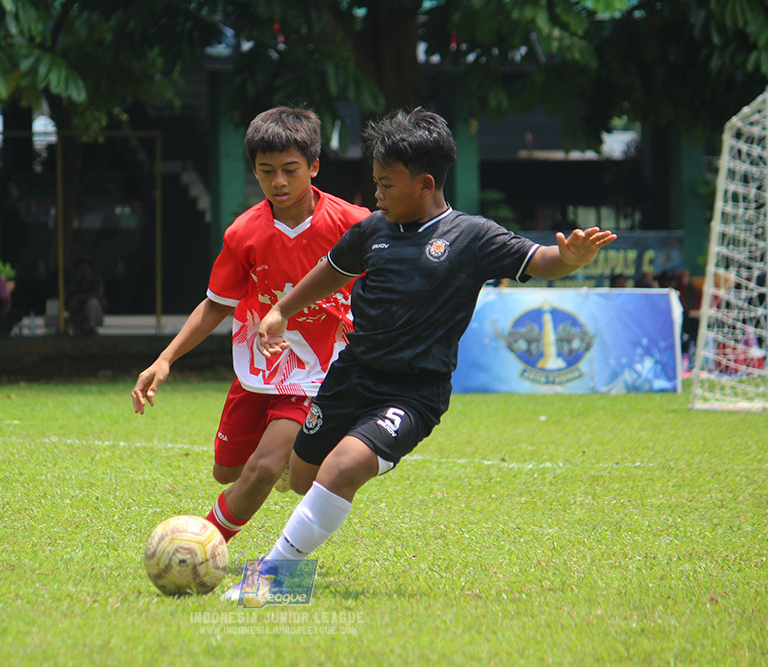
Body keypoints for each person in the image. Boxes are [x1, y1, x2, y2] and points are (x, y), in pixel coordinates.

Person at [242, 108, 617, 593]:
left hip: (413, 393)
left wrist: (568, 258)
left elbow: (539, 260)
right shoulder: (372, 231)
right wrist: (282, 310)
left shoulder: (472, 237)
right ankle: (302, 523)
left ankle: (274, 578)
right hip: (352, 375)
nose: (376, 194)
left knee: (341, 469)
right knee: (300, 477)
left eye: (385, 183)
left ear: (424, 183)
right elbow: (332, 269)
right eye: (374, 182)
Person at [131, 107, 370, 545]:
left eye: (290, 170)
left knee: (263, 469)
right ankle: (286, 457)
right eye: (266, 171)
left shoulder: (354, 225)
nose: (279, 181)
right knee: (228, 471)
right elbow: (214, 306)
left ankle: (198, 548)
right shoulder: (244, 233)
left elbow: (385, 288)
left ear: (314, 167)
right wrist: (165, 359)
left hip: (321, 369)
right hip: (259, 369)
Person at [67, 255, 105, 336]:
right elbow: (69, 304)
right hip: (78, 318)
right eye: (80, 267)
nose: (83, 270)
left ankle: (90, 327)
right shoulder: (73, 284)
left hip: (94, 317)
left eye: (86, 267)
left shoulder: (95, 281)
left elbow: (98, 294)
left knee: (93, 302)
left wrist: (79, 297)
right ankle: (81, 327)